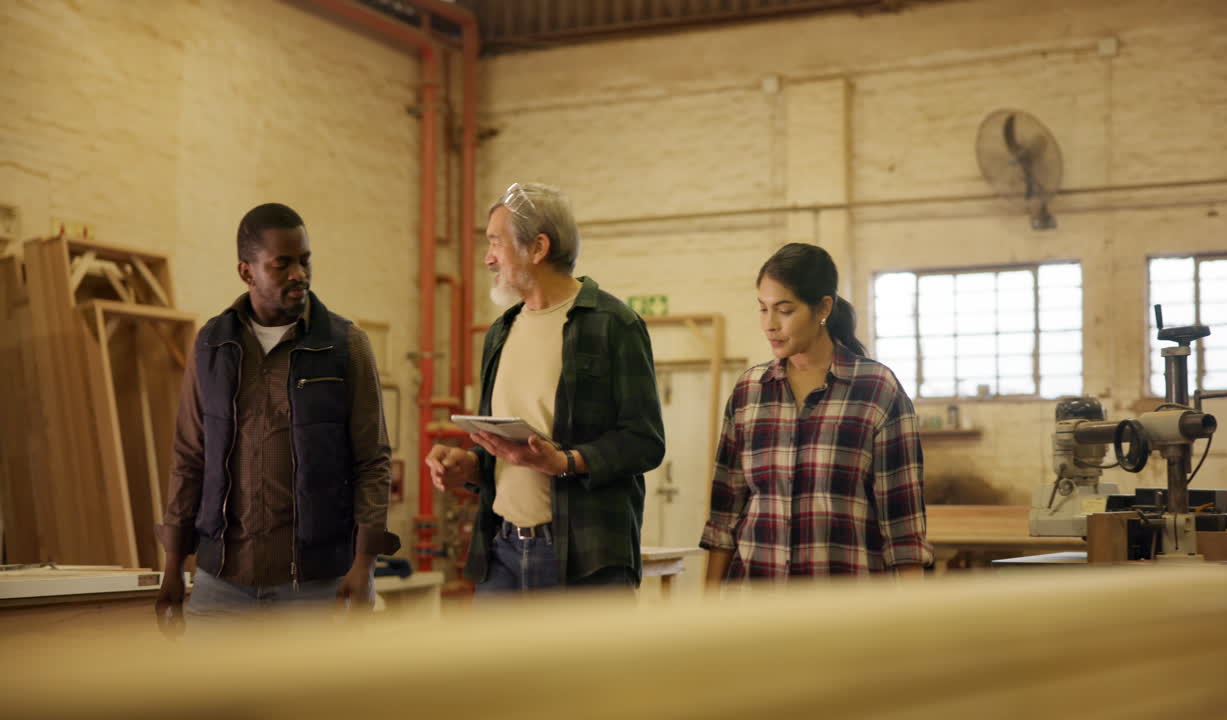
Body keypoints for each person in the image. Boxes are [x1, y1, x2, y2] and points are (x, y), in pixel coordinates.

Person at [154, 203, 399, 630]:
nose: (299, 274)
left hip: (314, 586)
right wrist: (172, 566)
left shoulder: (345, 345)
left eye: (305, 261)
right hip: (221, 583)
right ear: (246, 271)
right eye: (281, 264)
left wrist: (365, 565)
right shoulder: (211, 345)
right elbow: (190, 457)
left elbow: (373, 462)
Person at [425, 182, 664, 593]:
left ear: (537, 248)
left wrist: (565, 462)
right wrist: (471, 464)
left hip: (584, 562)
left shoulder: (614, 324)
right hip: (501, 553)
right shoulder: (500, 332)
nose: (487, 258)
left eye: (495, 242)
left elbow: (645, 442)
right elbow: (509, 449)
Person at [701, 242, 931, 585]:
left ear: (823, 307)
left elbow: (903, 527)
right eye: (763, 309)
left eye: (784, 310)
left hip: (845, 604)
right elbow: (724, 518)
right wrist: (708, 606)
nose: (770, 324)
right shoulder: (750, 391)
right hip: (754, 603)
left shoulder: (876, 390)